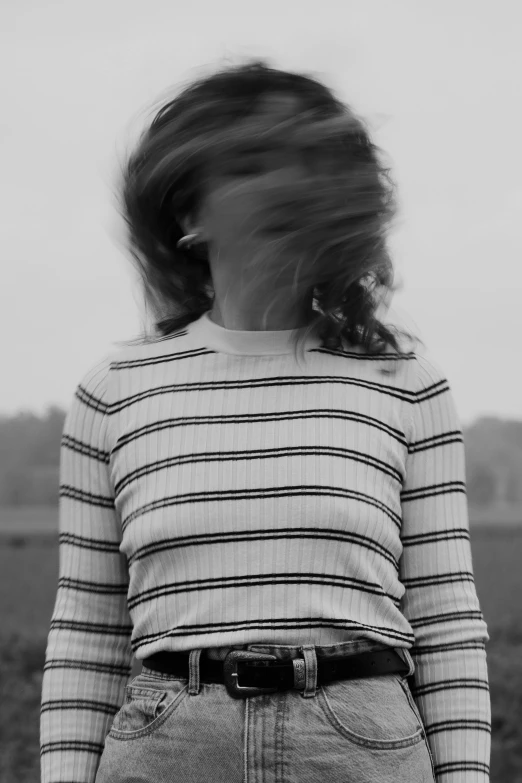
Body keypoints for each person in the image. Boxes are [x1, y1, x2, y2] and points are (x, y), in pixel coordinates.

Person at [40, 59, 491, 783]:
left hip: (362, 743)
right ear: (188, 215)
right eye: (248, 165)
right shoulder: (112, 391)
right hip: (167, 750)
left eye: (303, 165)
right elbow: (87, 636)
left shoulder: (406, 383)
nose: (282, 185)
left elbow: (447, 622)